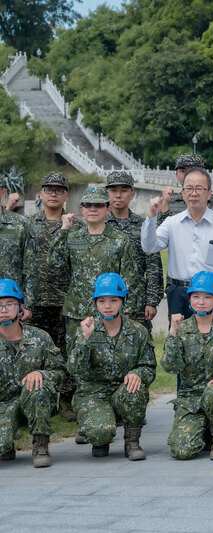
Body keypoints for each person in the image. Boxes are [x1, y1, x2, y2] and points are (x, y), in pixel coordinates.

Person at [68, 273, 155, 460]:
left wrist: (138, 373)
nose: (107, 306)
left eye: (113, 300)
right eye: (102, 301)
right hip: (93, 394)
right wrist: (85, 339)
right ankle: (101, 435)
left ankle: (132, 442)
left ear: (123, 301)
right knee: (100, 433)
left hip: (122, 392)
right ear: (95, 303)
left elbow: (149, 366)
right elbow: (74, 369)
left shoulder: (137, 331)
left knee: (135, 390)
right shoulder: (85, 329)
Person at [162, 271, 213, 460]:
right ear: (189, 298)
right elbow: (170, 366)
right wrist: (173, 333)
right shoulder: (182, 329)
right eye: (196, 296)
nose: (201, 302)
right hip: (191, 400)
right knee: (182, 451)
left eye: (207, 297)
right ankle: (203, 429)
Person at [49, 186, 141, 357]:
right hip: (77, 312)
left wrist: (124, 314)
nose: (93, 209)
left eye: (98, 206)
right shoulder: (73, 237)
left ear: (108, 210)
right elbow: (54, 262)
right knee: (77, 358)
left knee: (108, 358)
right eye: (88, 205)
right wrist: (63, 230)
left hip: (109, 312)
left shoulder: (120, 240)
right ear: (81, 209)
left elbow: (130, 280)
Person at [141, 167, 213, 321]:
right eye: (188, 188)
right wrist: (151, 217)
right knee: (178, 340)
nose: (193, 193)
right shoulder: (172, 223)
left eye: (199, 188)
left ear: (209, 193)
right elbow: (149, 247)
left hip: (212, 293)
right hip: (179, 294)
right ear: (182, 193)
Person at [27, 171, 82, 421]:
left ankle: (67, 401)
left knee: (66, 352)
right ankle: (43, 399)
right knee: (36, 354)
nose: (53, 194)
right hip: (35, 301)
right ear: (40, 194)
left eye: (58, 190)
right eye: (48, 189)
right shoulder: (28, 225)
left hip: (65, 300)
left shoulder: (77, 226)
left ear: (66, 195)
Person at [0, 279, 63, 468]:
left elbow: (60, 372)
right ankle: (7, 444)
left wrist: (42, 373)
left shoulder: (40, 337)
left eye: (9, 304)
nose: (3, 309)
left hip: (34, 401)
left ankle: (41, 447)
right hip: (3, 405)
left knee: (38, 388)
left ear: (21, 308)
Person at [105, 171, 163, 330]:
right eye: (113, 190)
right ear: (107, 193)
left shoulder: (143, 225)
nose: (118, 195)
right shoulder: (99, 224)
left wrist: (151, 301)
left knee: (139, 343)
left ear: (132, 194)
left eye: (123, 190)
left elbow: (153, 265)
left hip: (135, 298)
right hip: (104, 298)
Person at [158, 153, 213, 224]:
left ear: (204, 173)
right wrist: (165, 205)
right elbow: (159, 233)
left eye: (192, 170)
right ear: (177, 175)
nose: (187, 174)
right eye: (183, 171)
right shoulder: (168, 203)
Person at [0, 177, 36, 320]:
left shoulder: (20, 224)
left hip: (13, 303)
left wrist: (28, 304)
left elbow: (31, 267)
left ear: (3, 193)